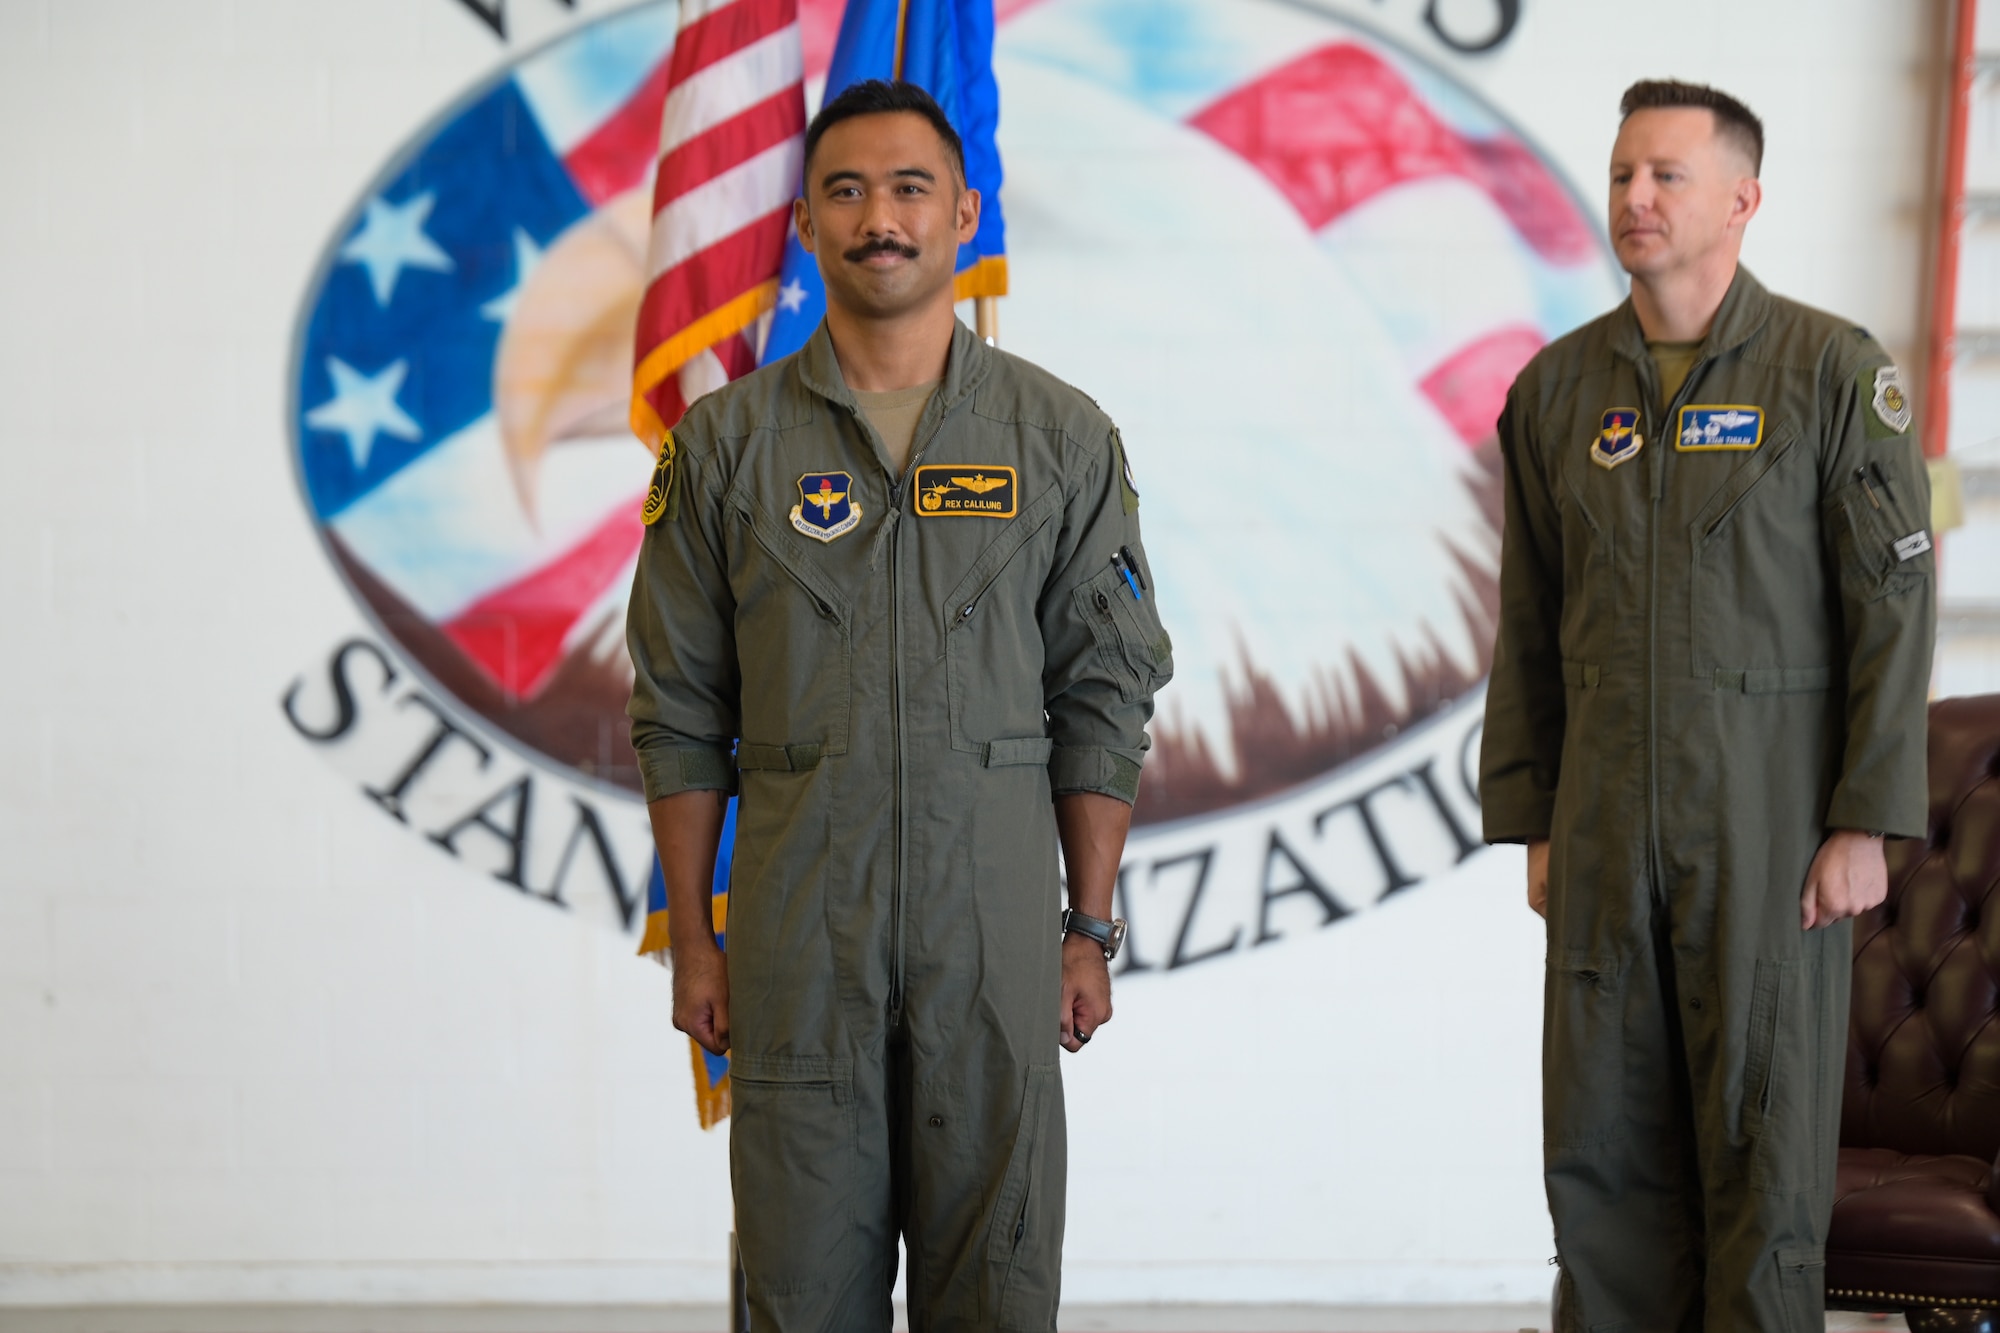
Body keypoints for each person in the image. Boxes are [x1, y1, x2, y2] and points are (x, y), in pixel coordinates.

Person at [626, 79, 1171, 1333]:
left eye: (909, 188)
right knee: (799, 1295)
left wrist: (1086, 928)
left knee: (997, 1296)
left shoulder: (1058, 438)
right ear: (804, 222)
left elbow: (1104, 693)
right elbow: (678, 708)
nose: (879, 218)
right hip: (795, 953)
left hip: (990, 951)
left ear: (964, 213)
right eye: (846, 191)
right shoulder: (722, 449)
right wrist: (696, 938)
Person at [1480, 80, 1935, 1329]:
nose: (1634, 197)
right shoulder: (1555, 391)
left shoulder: (1829, 373)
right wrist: (1535, 819)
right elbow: (1527, 621)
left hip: (1766, 820)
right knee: (1599, 1149)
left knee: (1761, 1146)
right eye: (1622, 173)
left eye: (1665, 175)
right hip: (1602, 821)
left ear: (1740, 199)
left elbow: (1891, 607)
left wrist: (1863, 819)